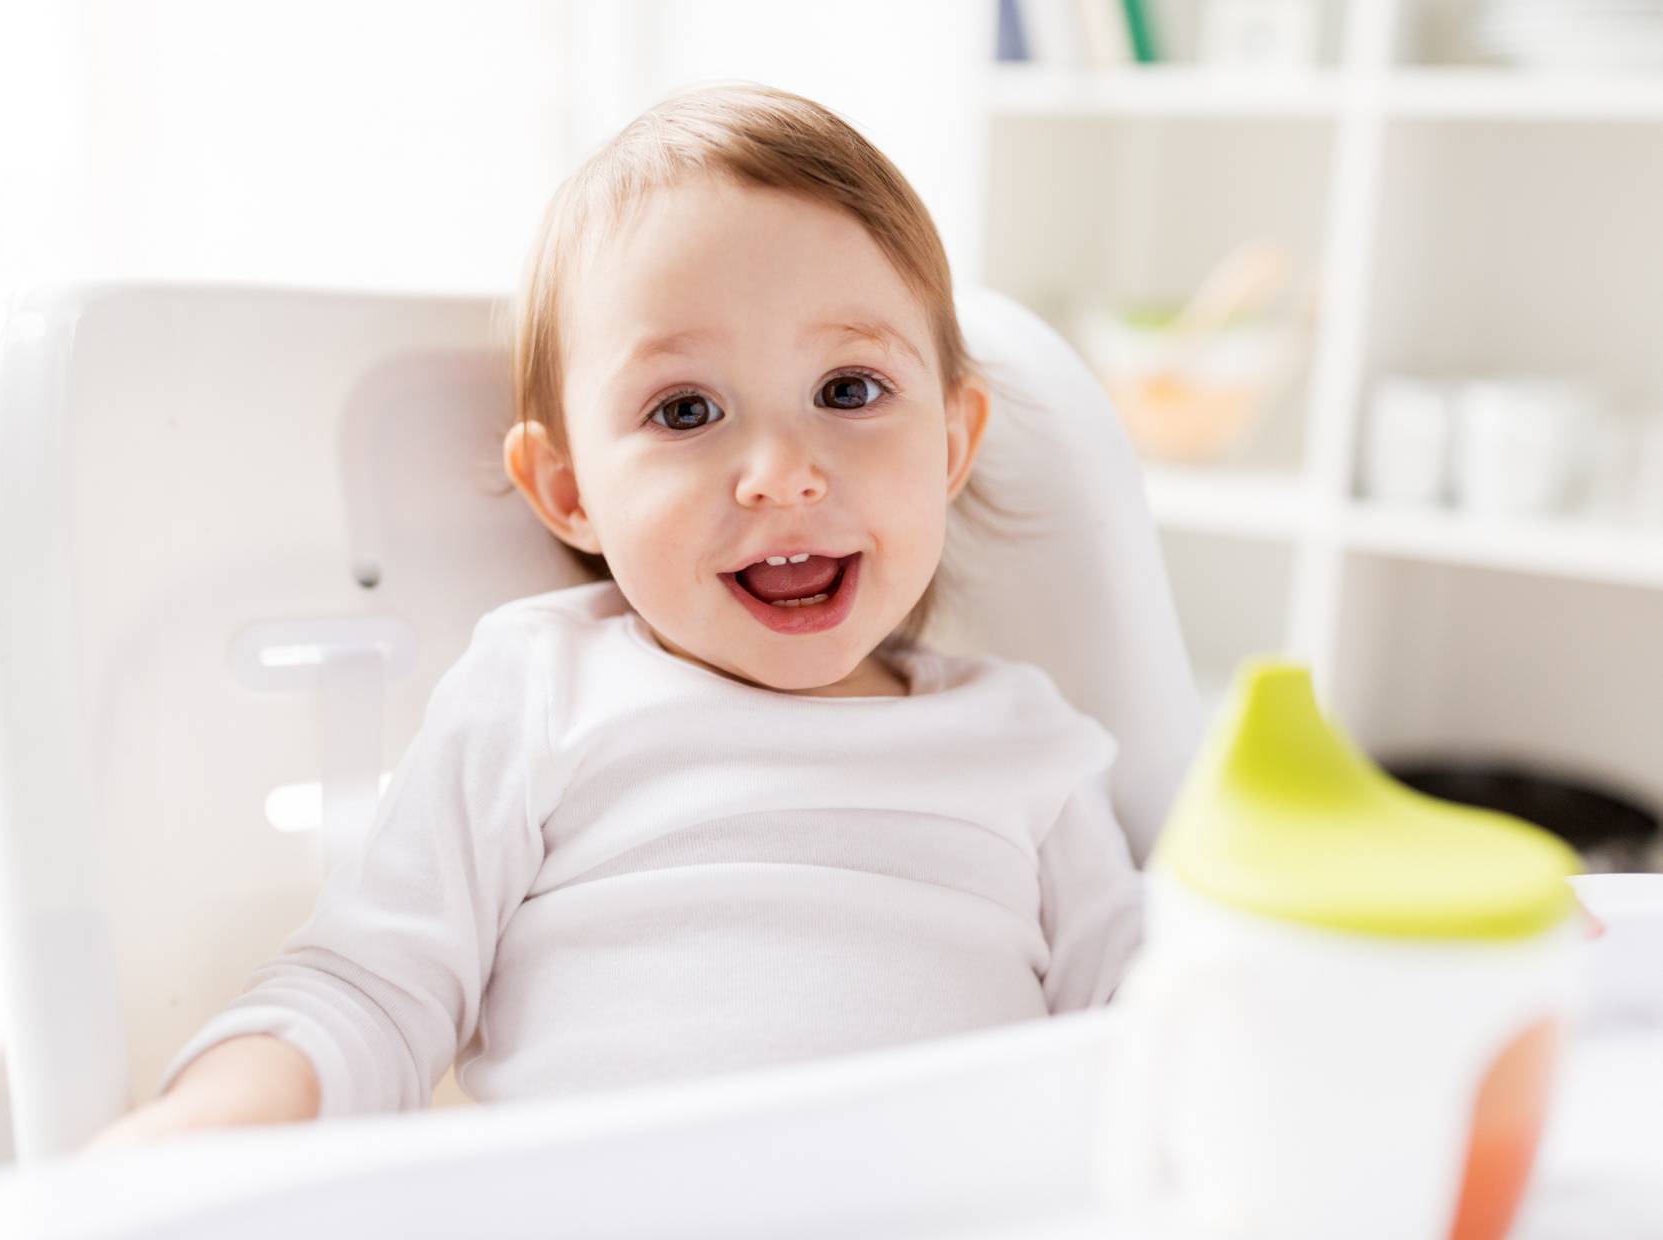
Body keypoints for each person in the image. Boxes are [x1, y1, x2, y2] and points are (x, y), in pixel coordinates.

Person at [87, 81, 1142, 1150]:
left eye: (849, 390)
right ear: (569, 489)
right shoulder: (542, 690)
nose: (781, 474)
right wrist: (200, 1127)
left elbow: (1143, 1015)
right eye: (685, 410)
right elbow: (371, 985)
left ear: (953, 445)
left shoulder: (1023, 738)